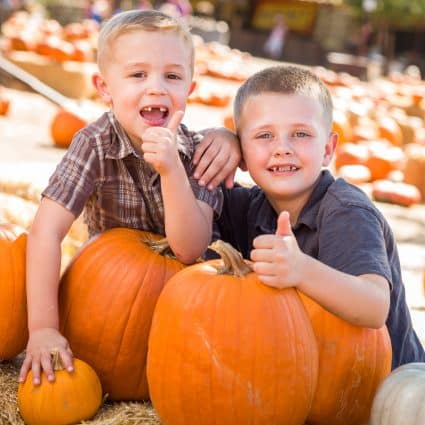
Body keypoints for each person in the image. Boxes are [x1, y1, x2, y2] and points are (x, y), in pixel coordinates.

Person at [19, 9, 240, 385]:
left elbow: (189, 249)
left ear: (189, 89)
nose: (156, 87)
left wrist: (172, 170)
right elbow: (46, 233)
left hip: (185, 313)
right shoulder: (93, 144)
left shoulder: (200, 154)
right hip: (109, 303)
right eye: (138, 74)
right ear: (105, 88)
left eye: (171, 76)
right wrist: (42, 329)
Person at [211, 65, 425, 369]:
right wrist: (218, 139)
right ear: (242, 154)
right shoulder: (248, 206)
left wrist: (301, 270)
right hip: (305, 379)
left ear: (328, 149)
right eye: (264, 135)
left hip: (384, 389)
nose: (282, 148)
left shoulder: (346, 211)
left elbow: (374, 306)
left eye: (300, 134)